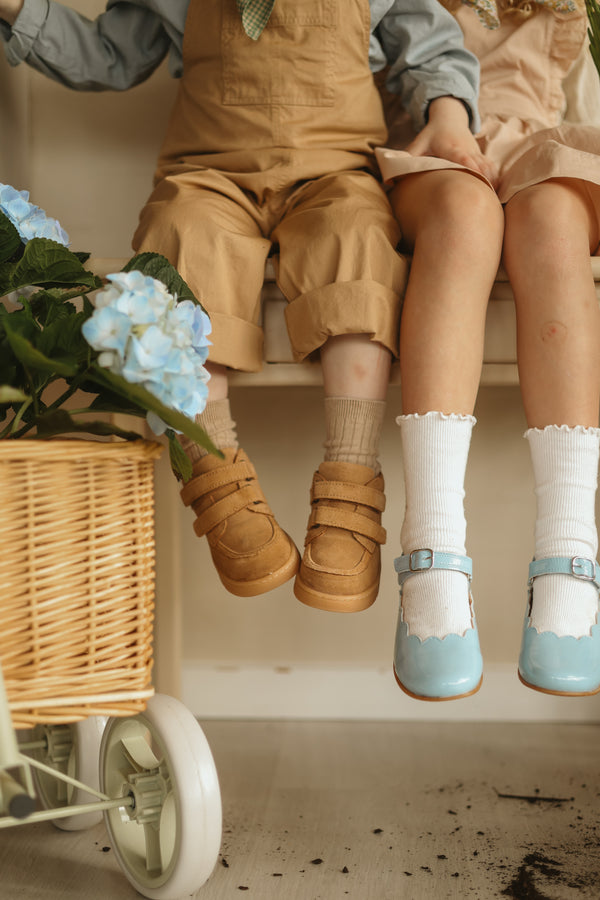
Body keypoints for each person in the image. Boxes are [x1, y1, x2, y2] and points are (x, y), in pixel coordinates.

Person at [0, 0, 490, 613]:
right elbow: (108, 53)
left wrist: (448, 116)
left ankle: (351, 477)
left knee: (358, 247)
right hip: (209, 176)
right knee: (177, 248)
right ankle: (213, 473)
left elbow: (432, 47)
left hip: (336, 175)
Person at [376, 0, 600, 700]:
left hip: (540, 144)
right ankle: (433, 544)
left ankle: (570, 545)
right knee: (465, 214)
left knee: (554, 219)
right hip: (432, 144)